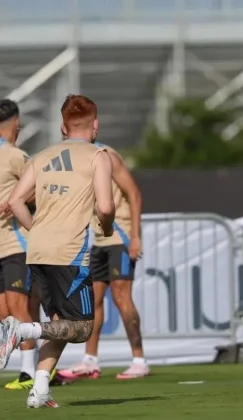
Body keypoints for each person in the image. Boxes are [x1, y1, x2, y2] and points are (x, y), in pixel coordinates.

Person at [0, 94, 115, 408]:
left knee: (58, 321)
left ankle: (39, 389)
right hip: (69, 251)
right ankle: (21, 329)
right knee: (82, 327)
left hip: (37, 250)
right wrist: (106, 227)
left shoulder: (43, 155)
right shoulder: (99, 155)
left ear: (63, 127)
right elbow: (105, 206)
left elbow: (16, 201)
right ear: (95, 125)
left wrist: (36, 228)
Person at [58, 141, 148, 380]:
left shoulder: (107, 155)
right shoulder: (75, 160)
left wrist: (136, 236)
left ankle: (139, 360)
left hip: (120, 235)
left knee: (121, 296)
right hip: (98, 239)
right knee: (93, 300)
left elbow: (134, 193)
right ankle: (90, 360)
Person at [0, 99, 68, 390]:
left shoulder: (15, 155)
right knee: (4, 312)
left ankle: (31, 372)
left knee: (19, 307)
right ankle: (37, 367)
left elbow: (41, 189)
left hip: (17, 243)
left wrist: (13, 203)